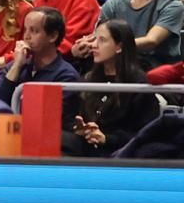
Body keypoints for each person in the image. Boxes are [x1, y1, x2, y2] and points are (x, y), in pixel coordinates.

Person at [63, 20, 160, 157]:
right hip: (84, 145)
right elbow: (70, 114)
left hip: (119, 152)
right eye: (94, 39)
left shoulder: (138, 84)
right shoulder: (89, 78)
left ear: (119, 47)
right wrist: (79, 128)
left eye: (102, 40)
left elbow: (146, 132)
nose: (94, 45)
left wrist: (107, 138)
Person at [0, 5, 80, 103]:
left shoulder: (66, 76)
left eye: (34, 31)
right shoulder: (16, 66)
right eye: (25, 29)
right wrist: (17, 66)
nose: (26, 36)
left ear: (53, 36)